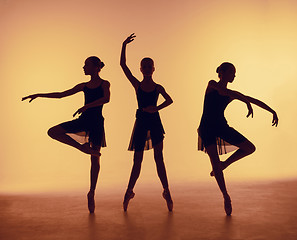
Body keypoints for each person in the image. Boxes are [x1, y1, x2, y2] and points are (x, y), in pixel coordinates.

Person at [22, 56, 110, 213]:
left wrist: (86, 106)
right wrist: (39, 94)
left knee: (95, 159)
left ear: (96, 67)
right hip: (84, 120)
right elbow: (61, 94)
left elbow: (106, 98)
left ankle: (91, 192)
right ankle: (81, 148)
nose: (83, 67)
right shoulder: (83, 85)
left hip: (96, 123)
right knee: (53, 131)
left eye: (86, 65)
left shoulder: (105, 83)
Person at [198, 62, 278, 215]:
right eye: (231, 72)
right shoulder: (212, 84)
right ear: (221, 72)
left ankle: (225, 164)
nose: (234, 75)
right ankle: (226, 196)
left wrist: (271, 110)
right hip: (207, 128)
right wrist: (244, 101)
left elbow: (253, 99)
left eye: (235, 73)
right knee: (214, 162)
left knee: (250, 148)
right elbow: (224, 91)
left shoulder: (231, 94)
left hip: (221, 126)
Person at [120, 33, 174, 211]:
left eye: (150, 65)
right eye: (144, 66)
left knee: (160, 159)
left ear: (153, 68)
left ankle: (166, 191)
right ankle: (129, 192)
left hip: (155, 122)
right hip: (142, 122)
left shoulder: (158, 87)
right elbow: (123, 66)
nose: (147, 68)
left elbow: (169, 100)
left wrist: (156, 109)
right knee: (137, 160)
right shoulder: (137, 85)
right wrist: (124, 45)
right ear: (141, 69)